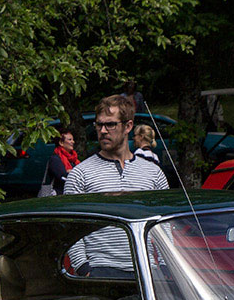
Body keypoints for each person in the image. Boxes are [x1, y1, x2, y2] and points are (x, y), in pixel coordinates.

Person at [64, 95, 167, 277]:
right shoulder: (80, 174)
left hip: (148, 272)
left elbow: (165, 226)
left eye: (110, 124)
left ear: (128, 126)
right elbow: (70, 227)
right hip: (101, 271)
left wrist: (167, 267)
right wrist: (83, 269)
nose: (103, 131)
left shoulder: (153, 173)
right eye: (99, 124)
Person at [41, 127, 79, 196]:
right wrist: (74, 172)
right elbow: (63, 176)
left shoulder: (74, 159)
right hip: (58, 195)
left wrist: (71, 171)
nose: (73, 142)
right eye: (70, 140)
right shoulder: (55, 159)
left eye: (73, 140)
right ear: (61, 142)